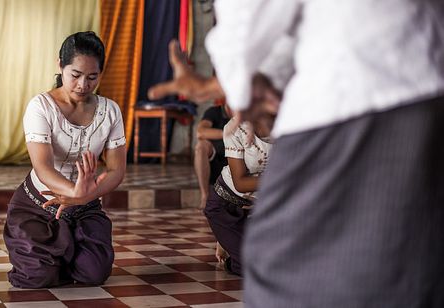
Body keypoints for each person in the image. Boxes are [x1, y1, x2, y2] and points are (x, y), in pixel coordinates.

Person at [148, 1, 444, 307]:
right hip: (424, 71)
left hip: (357, 89)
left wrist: (234, 78)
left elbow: (250, 14)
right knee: (406, 258)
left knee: (279, 266)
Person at [3, 31, 126, 289]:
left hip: (86, 207)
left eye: (93, 77)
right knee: (37, 277)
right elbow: (43, 167)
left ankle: (64, 252)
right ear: (60, 65)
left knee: (94, 274)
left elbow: (116, 170)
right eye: (76, 75)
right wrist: (74, 191)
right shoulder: (41, 106)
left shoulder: (111, 110)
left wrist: (82, 198)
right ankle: (48, 256)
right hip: (39, 205)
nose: (83, 85)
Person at [204, 118, 272, 276]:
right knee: (254, 268)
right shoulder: (235, 127)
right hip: (225, 207)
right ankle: (230, 251)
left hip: (261, 208)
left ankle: (230, 241)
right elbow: (241, 183)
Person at [195, 103, 232, 209]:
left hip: (239, 162)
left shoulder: (246, 112)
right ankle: (205, 195)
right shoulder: (214, 112)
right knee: (200, 147)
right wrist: (228, 132)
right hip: (216, 162)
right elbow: (200, 132)